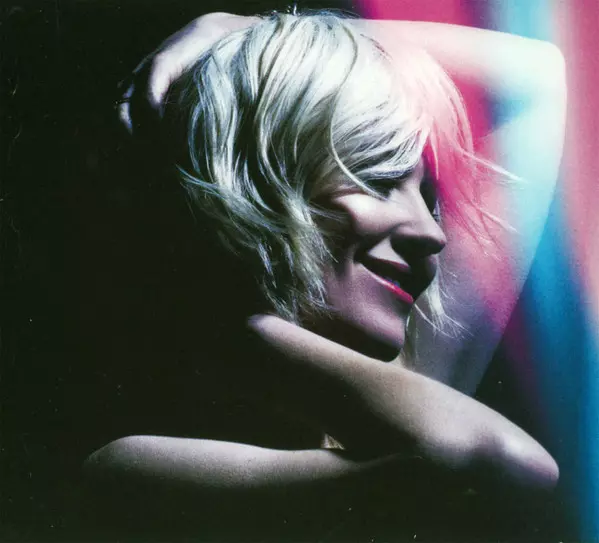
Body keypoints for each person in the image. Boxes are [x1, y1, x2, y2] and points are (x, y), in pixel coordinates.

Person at [85, 10, 566, 541]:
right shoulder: (131, 471)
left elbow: (537, 78)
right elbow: (502, 465)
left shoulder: (419, 390)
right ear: (252, 178)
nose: (433, 233)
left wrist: (250, 27)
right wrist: (244, 323)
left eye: (431, 199)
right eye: (376, 177)